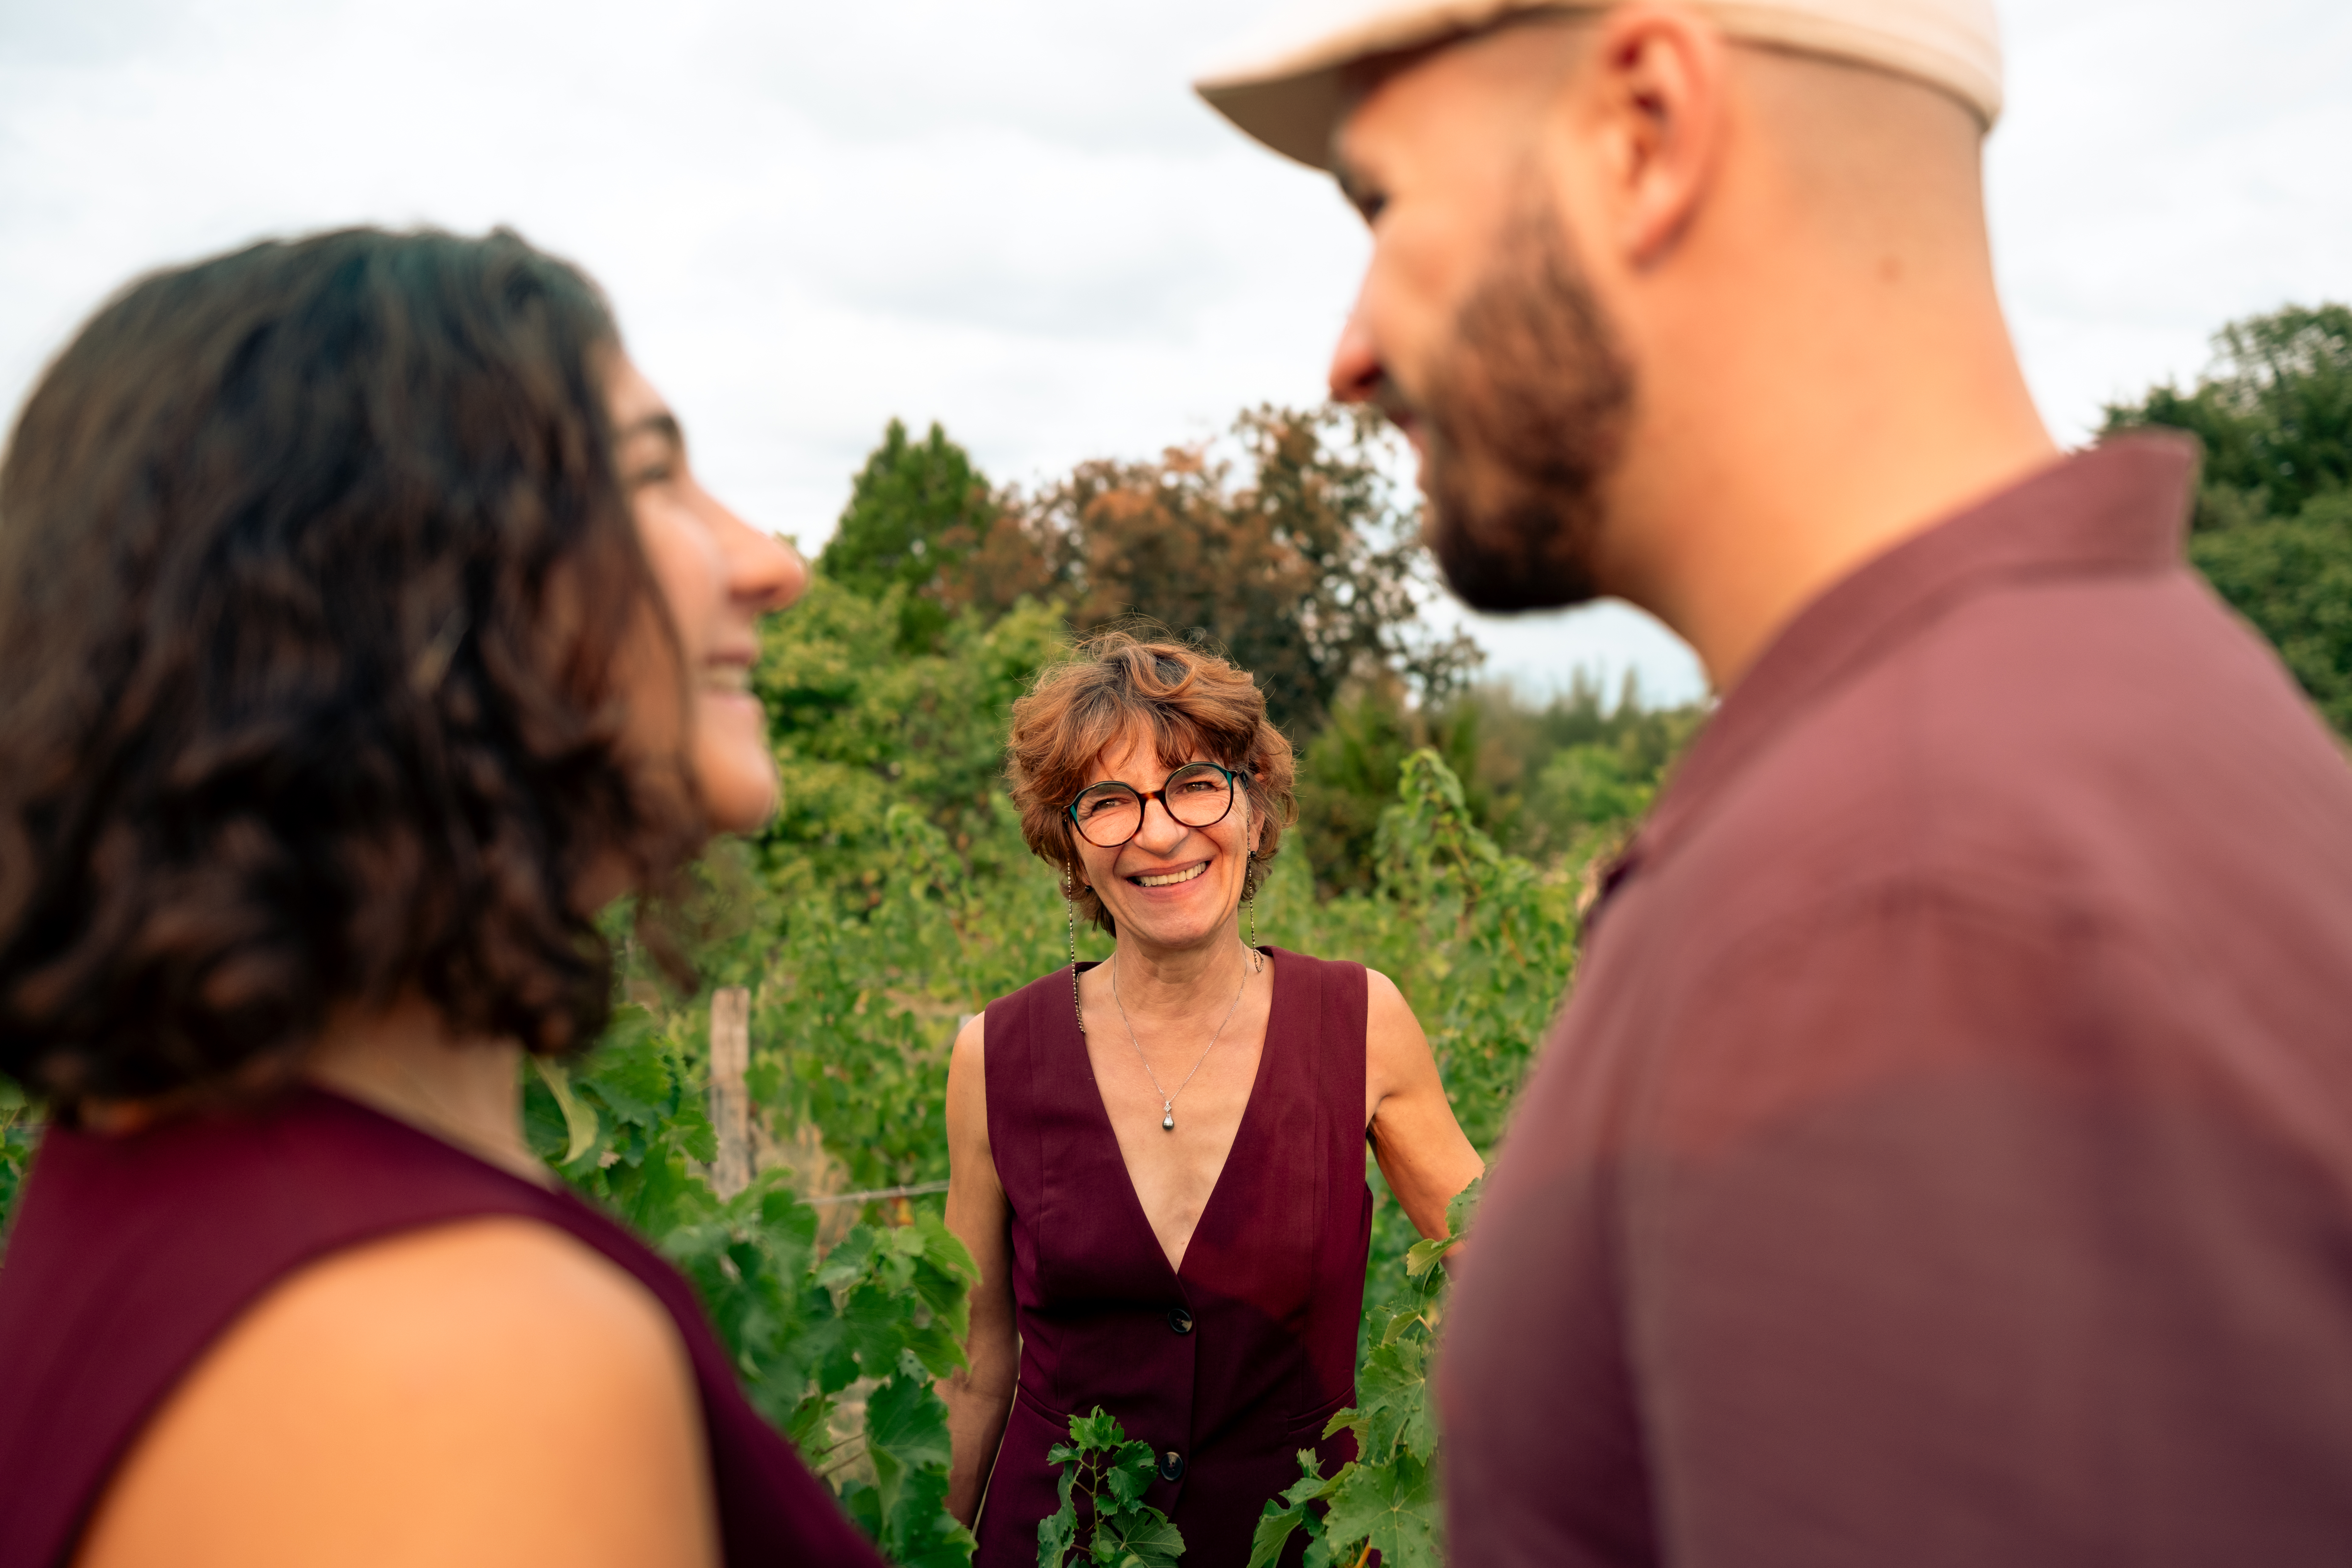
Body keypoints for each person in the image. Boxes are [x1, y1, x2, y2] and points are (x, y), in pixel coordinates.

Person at [1196, 2, 2352, 1564]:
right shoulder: (2120, 726)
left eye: (1386, 205)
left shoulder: (1903, 908)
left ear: (1646, 130)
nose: (1351, 355)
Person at [0, 229, 884, 1568]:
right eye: (654, 474)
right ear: (401, 581)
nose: (768, 562)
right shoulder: (455, 1360)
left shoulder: (149, 1177)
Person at [939, 631, 1483, 1566]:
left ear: (1255, 810)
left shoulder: (1361, 1023)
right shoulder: (993, 1055)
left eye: (1194, 785)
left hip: (1299, 1547)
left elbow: (1492, 1273)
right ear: (1067, 841)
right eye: (1108, 803)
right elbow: (975, 1374)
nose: (1157, 833)